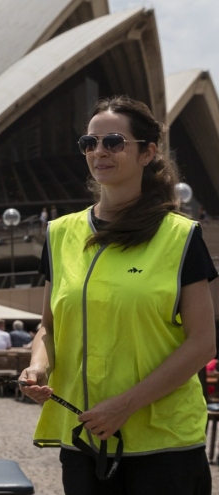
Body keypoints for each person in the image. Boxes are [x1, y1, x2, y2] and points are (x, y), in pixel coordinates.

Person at [20, 96, 216, 494]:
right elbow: (47, 327)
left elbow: (202, 342)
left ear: (147, 153)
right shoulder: (59, 234)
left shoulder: (180, 236)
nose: (98, 152)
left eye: (113, 141)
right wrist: (38, 367)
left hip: (165, 443)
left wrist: (125, 405)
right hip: (85, 435)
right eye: (89, 143)